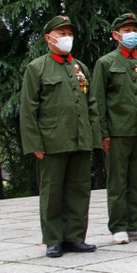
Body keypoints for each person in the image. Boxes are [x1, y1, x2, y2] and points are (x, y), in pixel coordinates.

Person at [19, 14, 100, 258]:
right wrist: (34, 143)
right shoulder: (37, 68)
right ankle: (53, 239)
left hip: (80, 139)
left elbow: (92, 104)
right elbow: (28, 108)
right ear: (48, 38)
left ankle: (75, 237)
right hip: (52, 142)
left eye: (70, 34)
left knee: (79, 190)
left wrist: (93, 138)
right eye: (62, 34)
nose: (67, 38)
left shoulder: (80, 68)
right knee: (52, 192)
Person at [92, 12, 137, 244]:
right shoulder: (106, 63)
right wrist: (103, 133)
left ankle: (136, 224)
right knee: (117, 181)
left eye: (134, 30)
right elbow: (98, 100)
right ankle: (118, 226)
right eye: (127, 30)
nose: (132, 34)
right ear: (116, 35)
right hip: (118, 132)